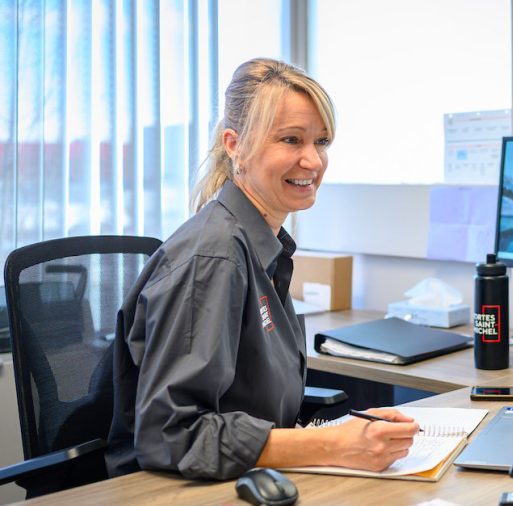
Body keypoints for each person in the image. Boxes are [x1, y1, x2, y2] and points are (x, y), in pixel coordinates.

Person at [106, 58, 419, 480]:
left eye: (321, 141)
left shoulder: (260, 247)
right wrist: (335, 444)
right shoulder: (214, 257)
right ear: (234, 145)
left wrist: (348, 435)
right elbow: (172, 434)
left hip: (244, 478)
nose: (313, 161)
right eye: (291, 140)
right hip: (175, 498)